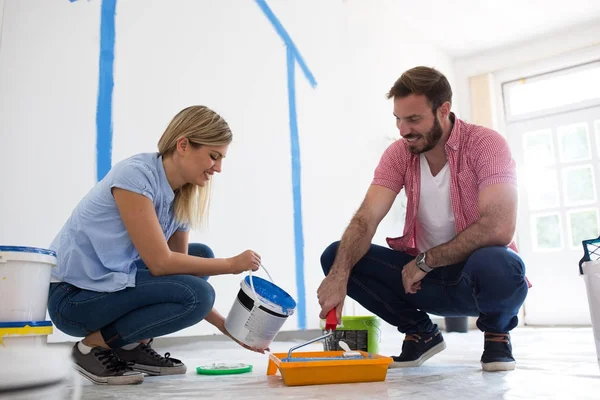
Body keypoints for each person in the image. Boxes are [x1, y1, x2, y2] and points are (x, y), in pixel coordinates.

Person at [317, 66, 530, 372]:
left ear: (443, 110)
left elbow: (499, 226)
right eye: (398, 119)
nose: (403, 130)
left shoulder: (486, 144)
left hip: (474, 282)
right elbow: (366, 218)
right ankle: (419, 332)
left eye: (413, 119)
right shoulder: (399, 153)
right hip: (420, 282)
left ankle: (497, 333)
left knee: (502, 264)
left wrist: (428, 259)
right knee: (338, 256)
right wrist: (338, 277)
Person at [48, 105, 263, 385]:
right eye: (214, 156)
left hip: (107, 285)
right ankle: (90, 349)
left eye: (221, 158)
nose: (219, 168)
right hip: (74, 298)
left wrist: (228, 328)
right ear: (183, 145)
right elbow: (162, 264)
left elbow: (180, 276)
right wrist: (231, 265)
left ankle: (129, 346)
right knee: (199, 289)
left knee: (200, 259)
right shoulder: (135, 176)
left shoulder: (181, 194)